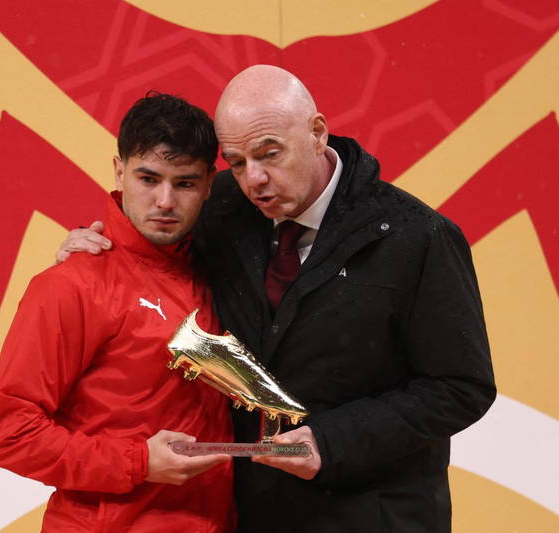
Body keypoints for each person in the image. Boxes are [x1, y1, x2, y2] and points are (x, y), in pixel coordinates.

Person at [59, 66, 496, 532]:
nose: (254, 179)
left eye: (270, 154)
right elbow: (152, 248)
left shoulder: (419, 237)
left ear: (317, 133)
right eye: (236, 162)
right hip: (252, 514)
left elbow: (461, 387)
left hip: (376, 515)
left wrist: (333, 442)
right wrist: (96, 247)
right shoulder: (221, 207)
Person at [0, 93, 236, 532]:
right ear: (119, 171)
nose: (165, 201)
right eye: (148, 178)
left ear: (210, 183)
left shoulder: (220, 270)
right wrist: (137, 462)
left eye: (185, 184)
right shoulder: (71, 285)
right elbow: (8, 434)